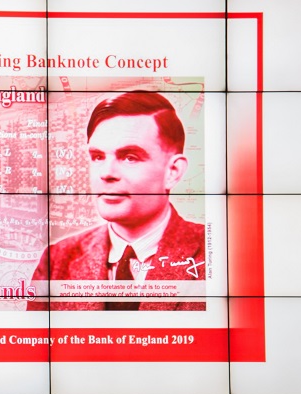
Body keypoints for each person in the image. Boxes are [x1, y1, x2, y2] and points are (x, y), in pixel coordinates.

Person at [31, 91, 205, 311]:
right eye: (98, 157)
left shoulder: (217, 254)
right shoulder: (56, 260)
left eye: (130, 157)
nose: (107, 173)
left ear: (173, 171)